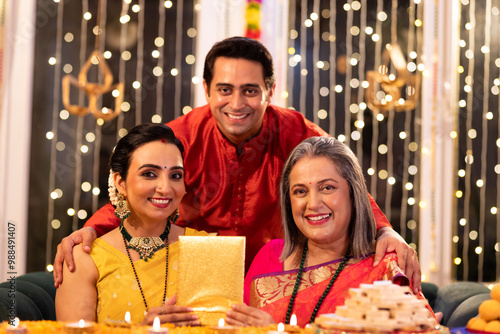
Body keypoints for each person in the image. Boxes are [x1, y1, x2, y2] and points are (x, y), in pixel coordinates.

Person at [53, 36, 420, 291]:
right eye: (225, 90)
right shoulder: (178, 137)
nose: (237, 103)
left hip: (280, 275)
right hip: (191, 276)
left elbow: (345, 187)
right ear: (207, 90)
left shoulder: (297, 133)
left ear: (270, 92)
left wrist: (386, 231)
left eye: (250, 90)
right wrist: (91, 230)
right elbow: (139, 191)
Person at [225, 137, 434, 328]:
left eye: (327, 188)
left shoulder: (384, 269)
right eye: (300, 191)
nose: (313, 204)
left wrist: (274, 332)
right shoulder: (270, 256)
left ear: (354, 194)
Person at [55, 124, 205, 325]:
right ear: (120, 182)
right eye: (149, 174)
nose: (165, 187)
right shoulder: (84, 260)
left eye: (176, 176)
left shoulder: (204, 249)